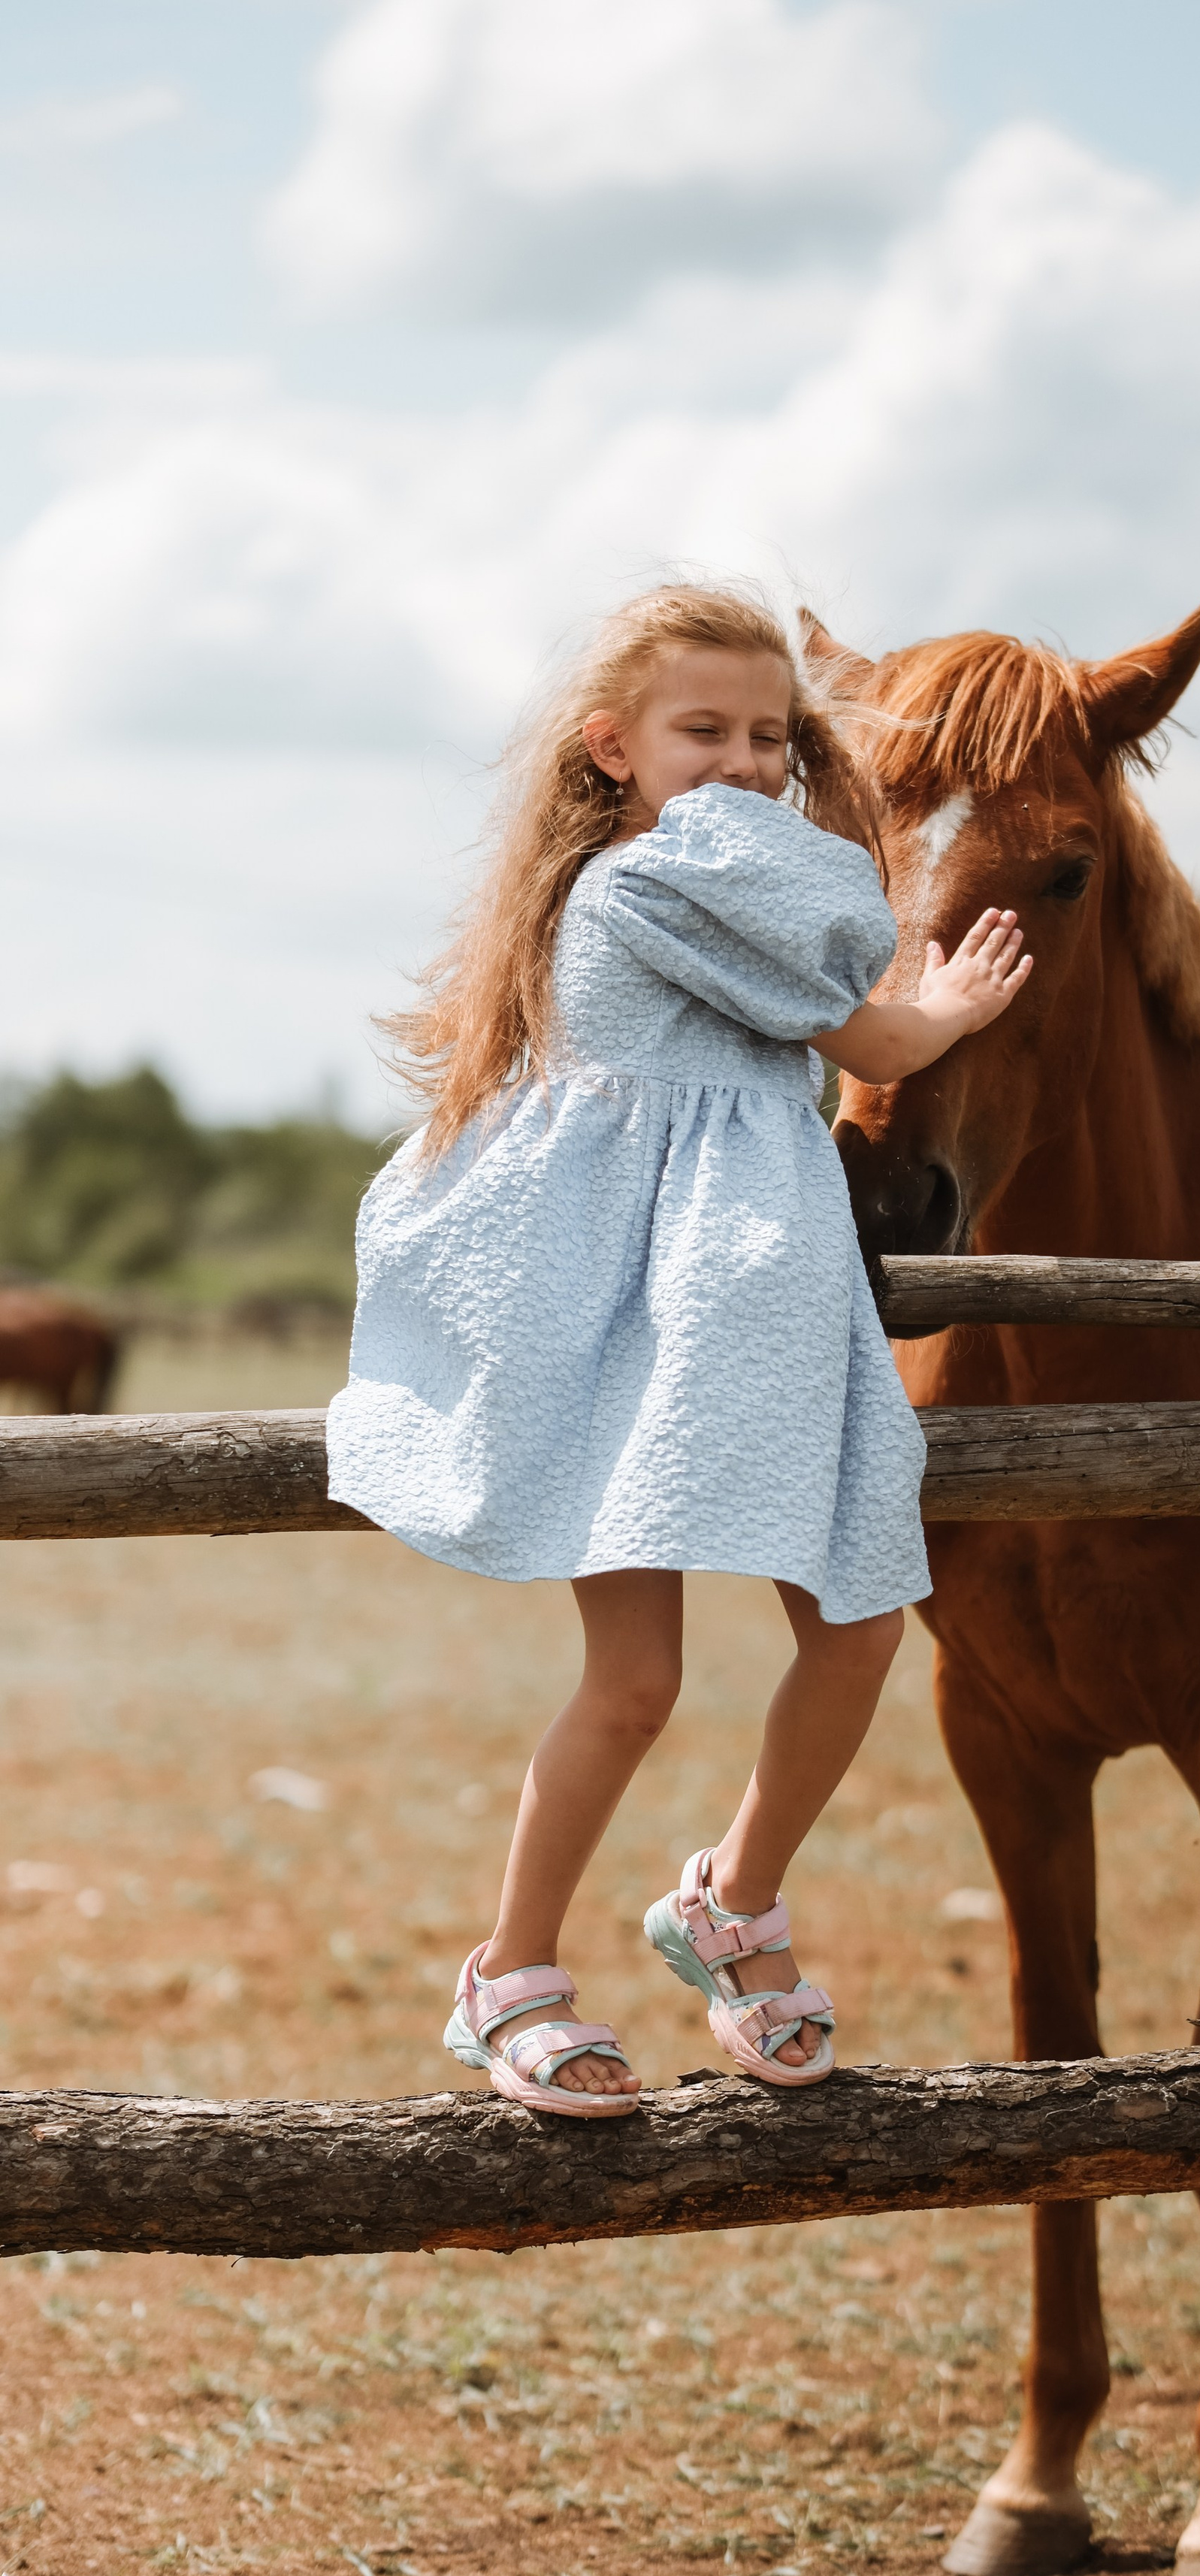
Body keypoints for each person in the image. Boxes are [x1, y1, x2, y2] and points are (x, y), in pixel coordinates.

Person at [326, 582, 1030, 2112]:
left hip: (769, 1313)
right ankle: (509, 1970)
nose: (743, 761)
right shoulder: (646, 893)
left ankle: (733, 1898)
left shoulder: (739, 876)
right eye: (699, 730)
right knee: (632, 1679)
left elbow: (833, 969)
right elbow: (878, 1030)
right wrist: (948, 1001)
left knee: (858, 1626)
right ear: (610, 753)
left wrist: (894, 967)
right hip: (640, 1332)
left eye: (772, 736)